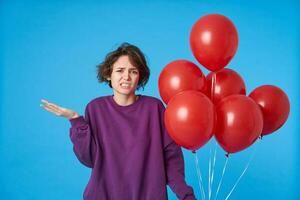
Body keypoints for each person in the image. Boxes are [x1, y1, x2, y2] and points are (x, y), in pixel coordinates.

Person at [40, 43, 196, 200]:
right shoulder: (96, 108)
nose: (126, 77)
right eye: (120, 70)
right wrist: (75, 120)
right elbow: (89, 159)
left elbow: (171, 158)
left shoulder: (154, 108)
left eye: (133, 71)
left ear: (139, 76)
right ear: (109, 74)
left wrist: (186, 196)